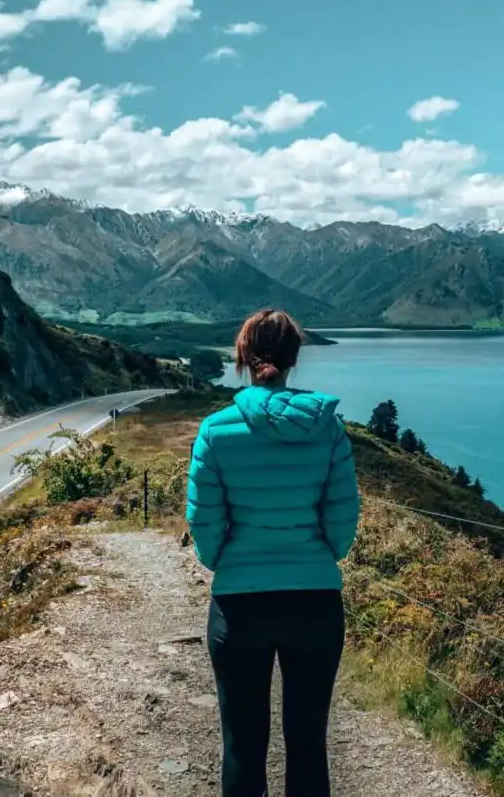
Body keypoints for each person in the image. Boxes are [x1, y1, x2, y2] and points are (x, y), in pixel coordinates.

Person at [185, 308, 361, 796]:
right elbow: (343, 521)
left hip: (239, 607)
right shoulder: (327, 427)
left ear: (243, 356)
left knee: (243, 743)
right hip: (315, 603)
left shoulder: (215, 431)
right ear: (292, 358)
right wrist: (320, 555)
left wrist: (228, 561)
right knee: (308, 742)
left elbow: (204, 523)